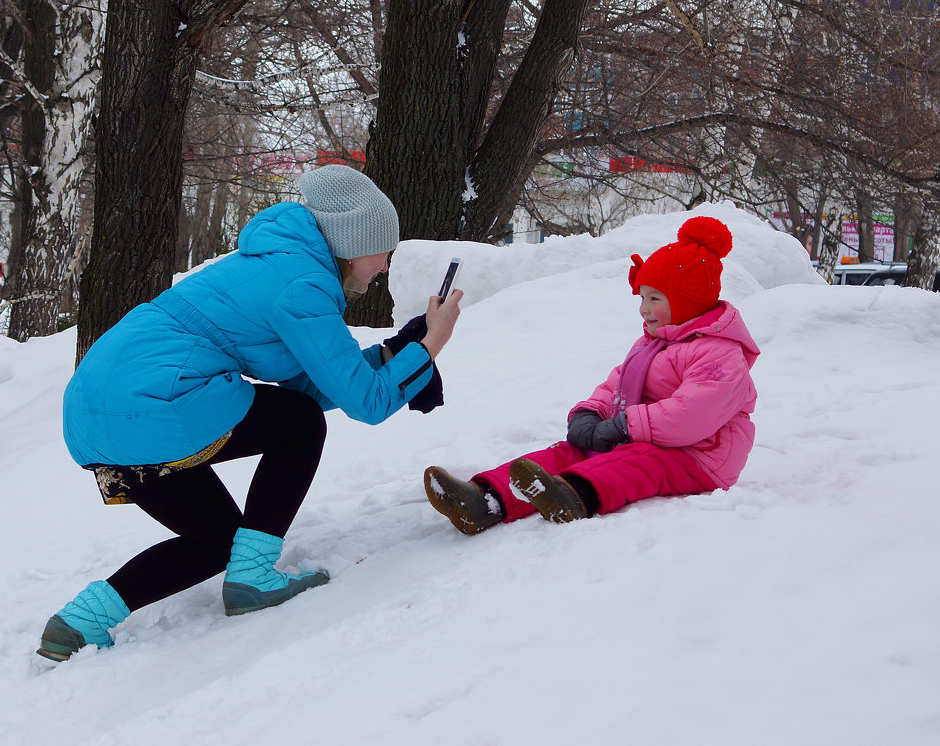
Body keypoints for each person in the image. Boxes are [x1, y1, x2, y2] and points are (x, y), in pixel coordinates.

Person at [37, 164, 462, 661]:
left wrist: (393, 357)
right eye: (383, 251)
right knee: (301, 424)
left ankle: (78, 623)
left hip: (96, 419)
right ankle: (254, 578)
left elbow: (322, 384)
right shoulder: (305, 283)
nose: (385, 265)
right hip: (159, 403)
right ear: (352, 243)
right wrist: (431, 344)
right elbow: (362, 403)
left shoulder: (274, 263)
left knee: (215, 539)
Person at [424, 216, 758, 534]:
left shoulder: (720, 353)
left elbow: (691, 415)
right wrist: (590, 414)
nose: (643, 308)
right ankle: (484, 499)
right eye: (642, 297)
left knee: (637, 461)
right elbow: (618, 383)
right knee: (567, 451)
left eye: (654, 298)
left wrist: (625, 426)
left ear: (689, 301)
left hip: (697, 455)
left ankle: (571, 495)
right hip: (645, 434)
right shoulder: (654, 343)